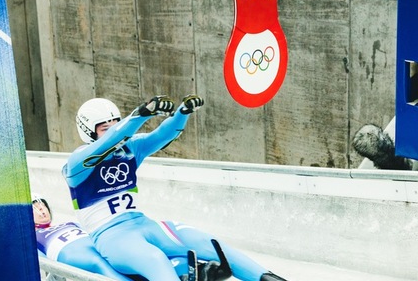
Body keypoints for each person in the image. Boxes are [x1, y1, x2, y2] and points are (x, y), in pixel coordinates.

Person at [63, 94, 286, 281]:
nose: (113, 131)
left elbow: (161, 135)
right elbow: (111, 140)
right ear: (89, 132)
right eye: (104, 128)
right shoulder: (77, 164)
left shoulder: (129, 149)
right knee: (155, 260)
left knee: (209, 244)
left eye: (115, 124)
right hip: (112, 238)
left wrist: (182, 113)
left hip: (144, 224)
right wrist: (141, 114)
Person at [33, 193, 228, 281]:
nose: (41, 211)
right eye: (35, 208)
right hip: (74, 255)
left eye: (43, 206)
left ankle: (185, 270)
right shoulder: (31, 237)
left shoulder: (70, 222)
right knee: (100, 265)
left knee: (136, 257)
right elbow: (42, 266)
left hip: (96, 246)